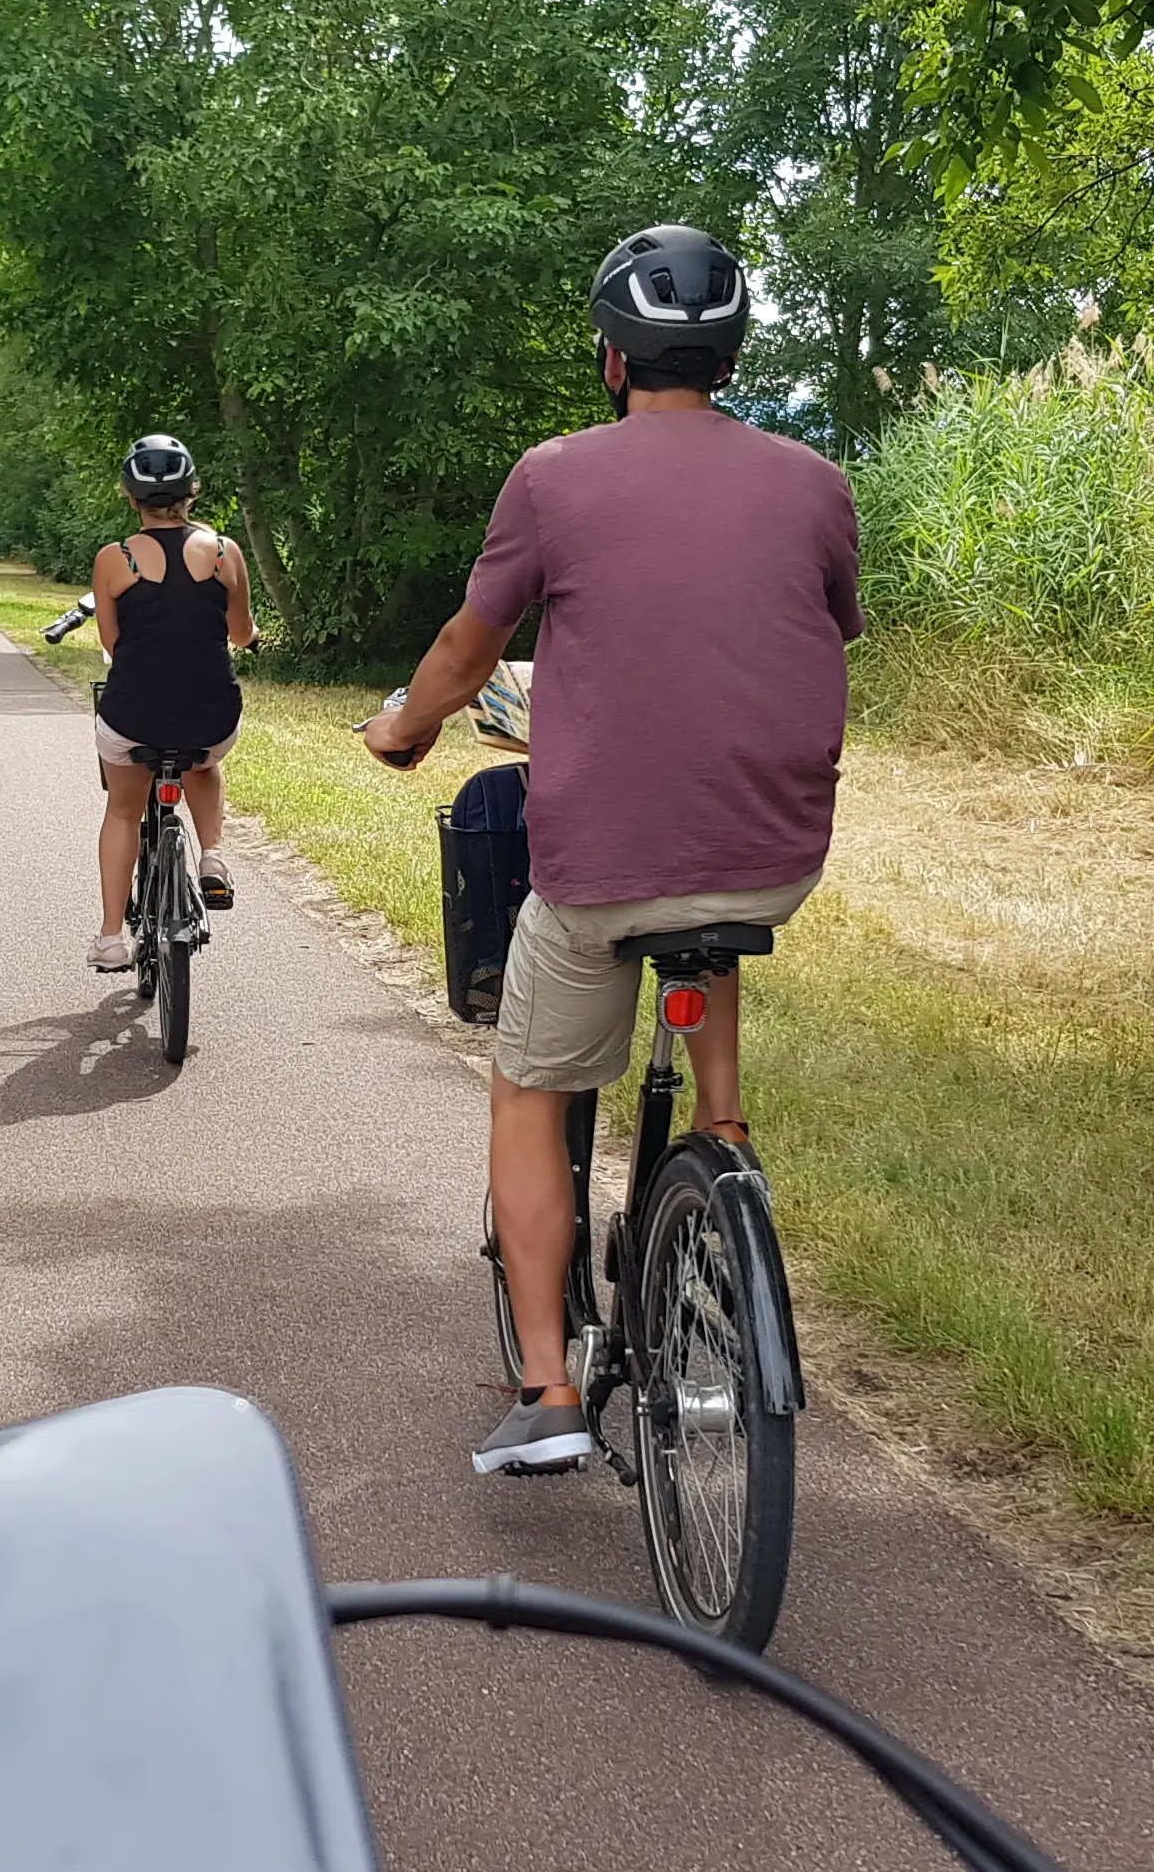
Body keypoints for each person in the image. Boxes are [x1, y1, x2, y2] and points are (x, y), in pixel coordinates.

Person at [363, 226, 859, 1473]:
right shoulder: (815, 481)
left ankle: (545, 1389)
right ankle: (725, 1128)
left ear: (612, 357)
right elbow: (822, 630)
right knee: (706, 883)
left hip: (599, 875)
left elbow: (470, 652)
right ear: (731, 353)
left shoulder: (554, 477)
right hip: (775, 857)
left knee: (530, 1088)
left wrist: (403, 728)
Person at [84, 433, 258, 973]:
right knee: (203, 762)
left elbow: (112, 644)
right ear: (193, 492)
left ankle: (113, 937)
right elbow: (242, 633)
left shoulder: (116, 559)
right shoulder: (226, 553)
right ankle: (211, 855)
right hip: (212, 713)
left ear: (129, 496)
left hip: (133, 714)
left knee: (122, 809)